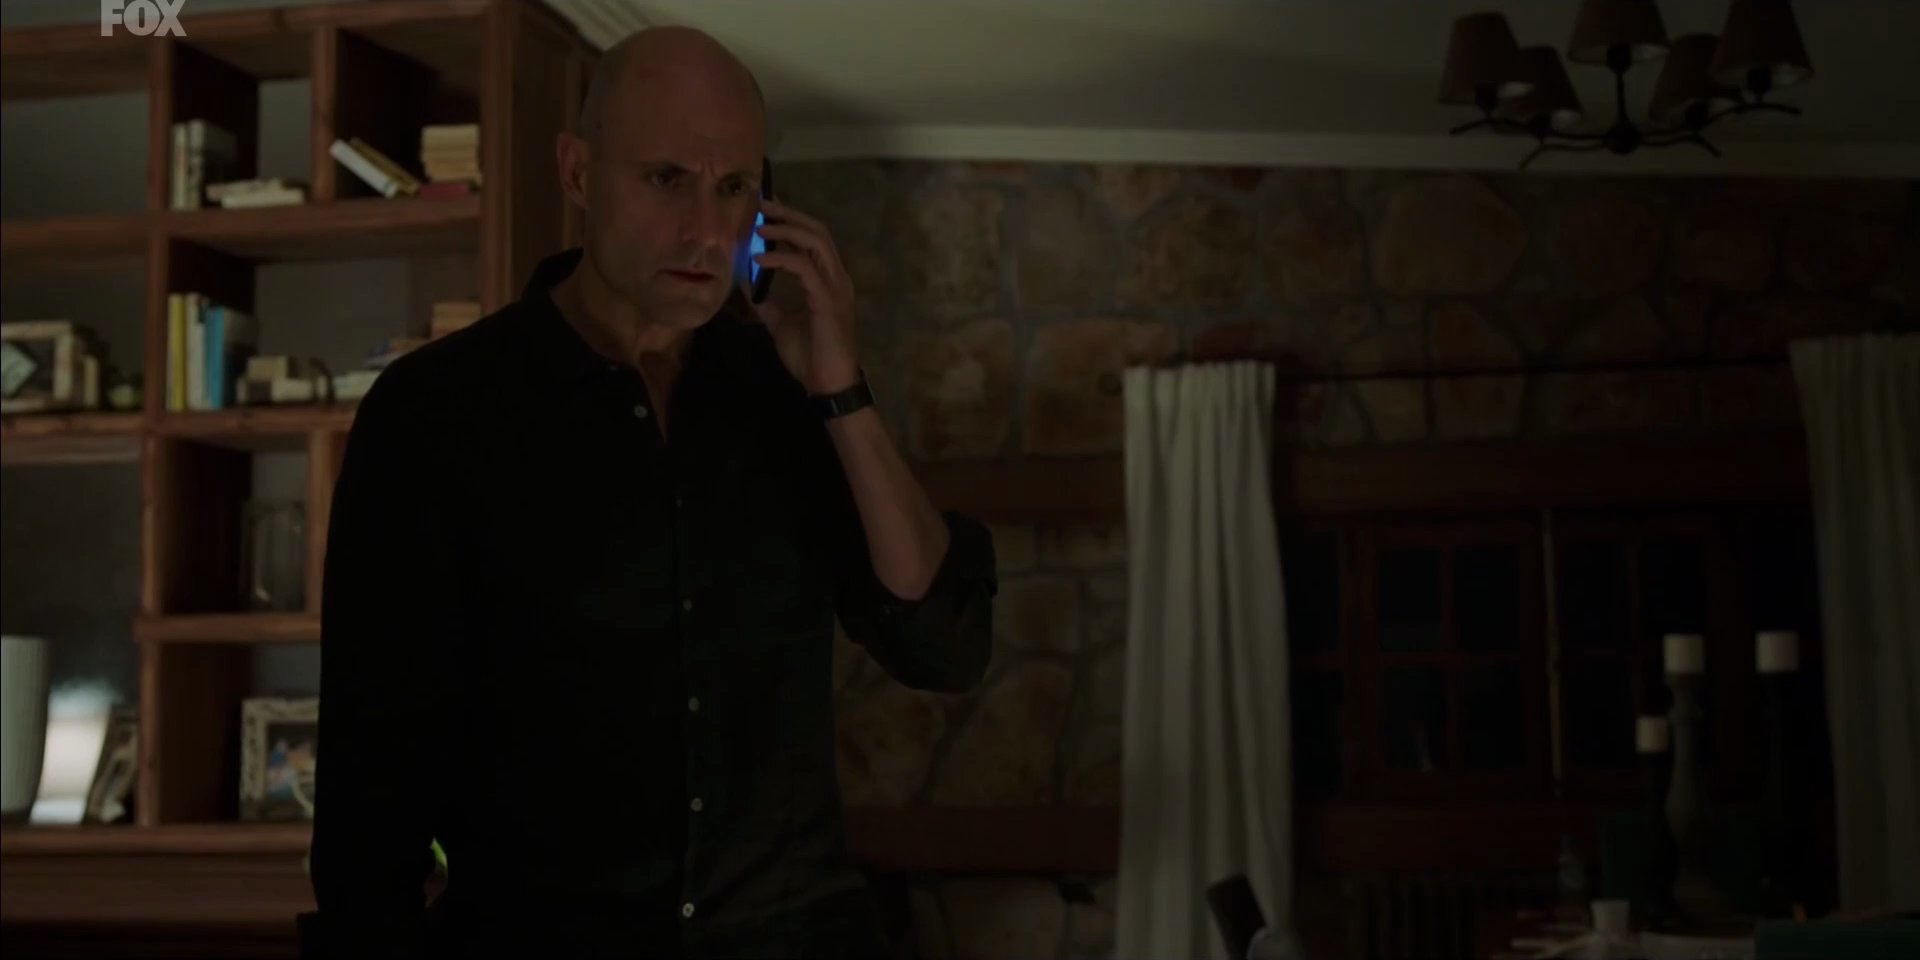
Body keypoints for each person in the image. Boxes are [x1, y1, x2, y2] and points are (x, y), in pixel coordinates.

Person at [305, 25, 997, 960]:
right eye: (667, 178)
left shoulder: (787, 396)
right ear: (578, 173)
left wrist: (840, 390)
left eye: (734, 187)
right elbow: (370, 791)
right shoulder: (438, 414)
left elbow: (943, 644)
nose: (706, 230)